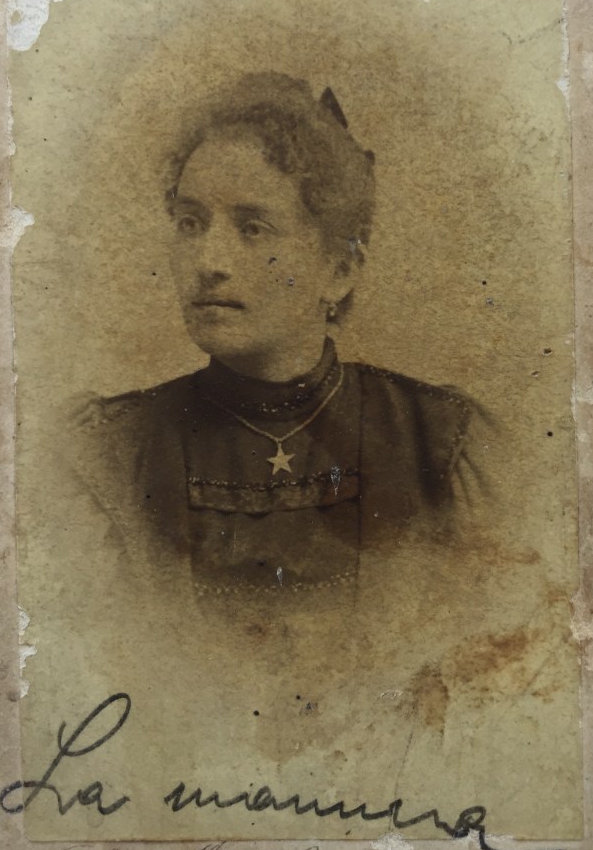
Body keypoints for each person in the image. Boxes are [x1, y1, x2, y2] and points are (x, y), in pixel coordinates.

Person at [74, 72, 490, 600]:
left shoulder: (439, 442)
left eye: (253, 228)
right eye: (190, 223)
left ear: (339, 270)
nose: (209, 262)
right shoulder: (106, 454)